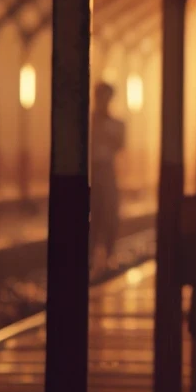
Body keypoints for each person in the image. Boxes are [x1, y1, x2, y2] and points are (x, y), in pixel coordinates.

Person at [88, 81, 125, 270]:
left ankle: (109, 253)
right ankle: (91, 254)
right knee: (93, 212)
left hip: (106, 170)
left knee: (110, 212)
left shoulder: (115, 123)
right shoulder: (88, 122)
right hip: (92, 171)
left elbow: (119, 144)